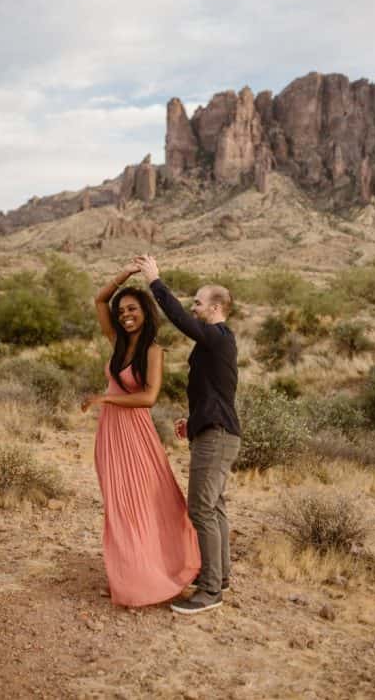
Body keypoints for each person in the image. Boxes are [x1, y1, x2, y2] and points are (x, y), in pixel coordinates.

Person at [83, 264, 200, 607]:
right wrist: (123, 274)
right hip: (110, 435)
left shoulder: (153, 351)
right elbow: (100, 300)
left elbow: (148, 398)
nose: (125, 315)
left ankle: (160, 569)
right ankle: (129, 574)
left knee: (150, 502)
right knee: (118, 506)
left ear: (145, 312)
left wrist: (105, 397)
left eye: (132, 308)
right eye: (122, 311)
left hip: (137, 435)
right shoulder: (116, 341)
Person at [134, 255, 241, 615]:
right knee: (215, 508)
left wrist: (155, 282)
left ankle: (210, 591)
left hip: (218, 435)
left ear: (215, 306)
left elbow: (179, 320)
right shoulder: (216, 342)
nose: (193, 307)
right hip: (213, 429)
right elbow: (214, 391)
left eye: (197, 301)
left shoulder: (218, 337)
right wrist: (193, 419)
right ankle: (219, 577)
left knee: (201, 510)